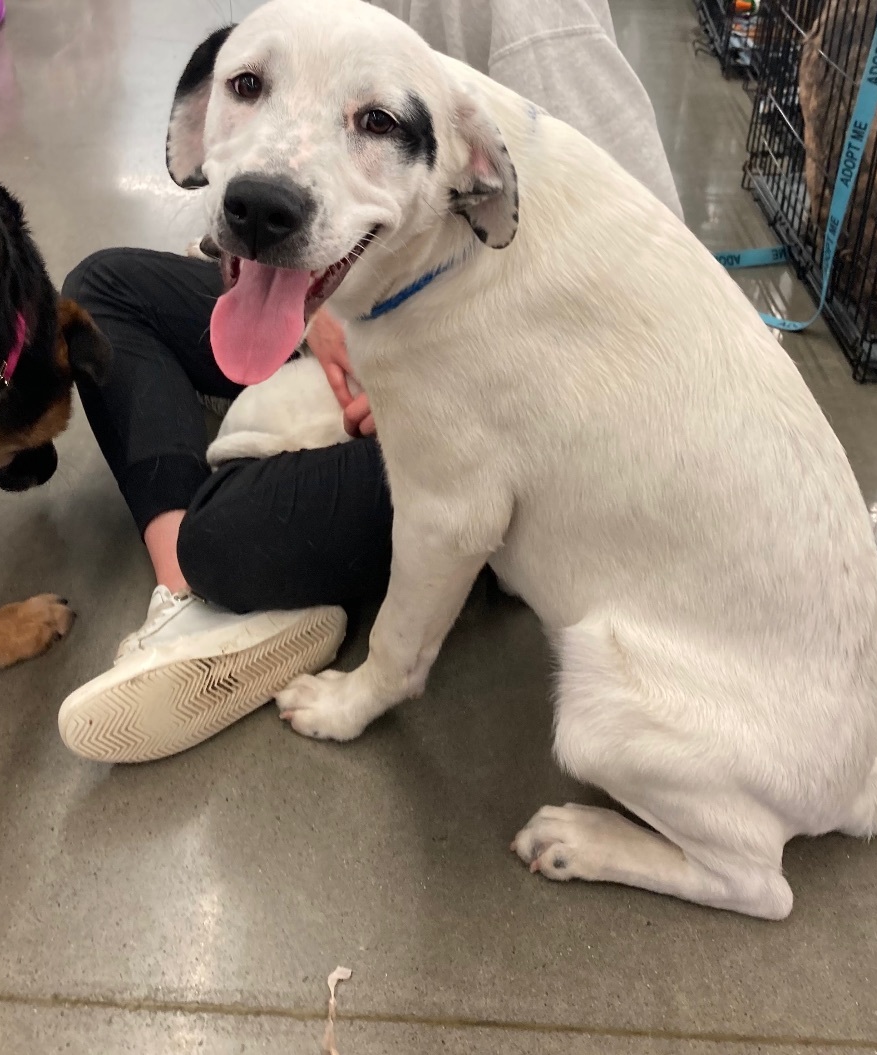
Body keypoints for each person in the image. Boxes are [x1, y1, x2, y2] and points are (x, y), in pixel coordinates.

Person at [57, 0, 683, 764]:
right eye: (248, 86)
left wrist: (463, 395)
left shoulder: (528, 13)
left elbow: (648, 244)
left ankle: (234, 572)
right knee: (102, 290)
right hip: (351, 292)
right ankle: (185, 585)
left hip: (491, 399)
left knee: (229, 535)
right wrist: (320, 311)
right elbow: (275, 161)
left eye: (376, 122)